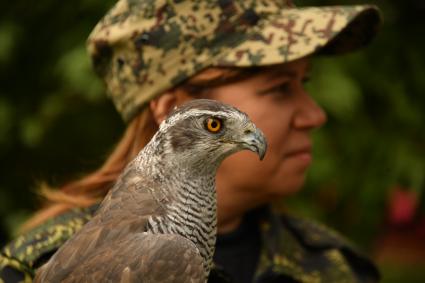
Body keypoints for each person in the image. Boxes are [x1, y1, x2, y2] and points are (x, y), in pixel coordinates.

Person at [0, 0, 382, 282]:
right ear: (170, 109)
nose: (316, 114)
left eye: (306, 83)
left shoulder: (339, 267)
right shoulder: (33, 267)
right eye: (280, 88)